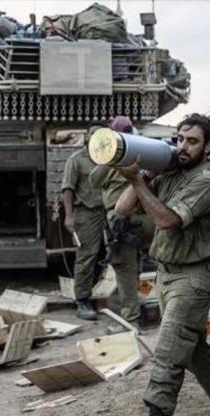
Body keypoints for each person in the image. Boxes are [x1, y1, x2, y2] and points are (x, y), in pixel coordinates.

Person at [114, 113, 210, 416]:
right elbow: (121, 208)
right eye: (179, 139)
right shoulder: (169, 172)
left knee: (170, 349)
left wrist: (142, 184)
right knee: (190, 348)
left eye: (192, 141)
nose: (182, 147)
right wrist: (141, 177)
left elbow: (167, 220)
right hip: (168, 275)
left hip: (195, 277)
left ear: (208, 145)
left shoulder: (208, 181)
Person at [88, 116, 150, 328]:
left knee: (124, 272)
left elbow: (93, 181)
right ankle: (137, 315)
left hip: (121, 221)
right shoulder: (142, 153)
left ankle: (130, 323)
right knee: (135, 269)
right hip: (142, 219)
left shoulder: (115, 156)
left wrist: (108, 156)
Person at [62, 126, 107, 320]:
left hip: (108, 211)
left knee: (115, 254)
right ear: (88, 139)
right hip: (86, 213)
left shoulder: (108, 158)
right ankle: (82, 301)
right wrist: (69, 215)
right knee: (86, 257)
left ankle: (110, 298)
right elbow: (67, 189)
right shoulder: (76, 159)